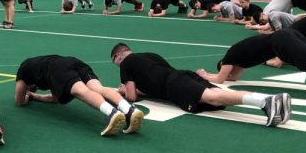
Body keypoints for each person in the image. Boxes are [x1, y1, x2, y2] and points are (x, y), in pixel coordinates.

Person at [110, 43, 291, 127]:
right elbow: (155, 77)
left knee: (214, 98)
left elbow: (132, 97)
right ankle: (271, 102)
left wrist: (124, 90)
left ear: (119, 57)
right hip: (182, 75)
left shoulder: (126, 64)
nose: (117, 65)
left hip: (174, 86)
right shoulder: (149, 54)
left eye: (115, 62)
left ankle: (266, 101)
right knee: (217, 100)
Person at [14, 55, 143, 136]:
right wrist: (35, 97)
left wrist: (27, 96)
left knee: (83, 92)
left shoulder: (23, 70)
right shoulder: (40, 67)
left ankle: (112, 113)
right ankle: (130, 110)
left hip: (58, 69)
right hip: (71, 61)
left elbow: (19, 101)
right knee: (99, 88)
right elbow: (55, 98)